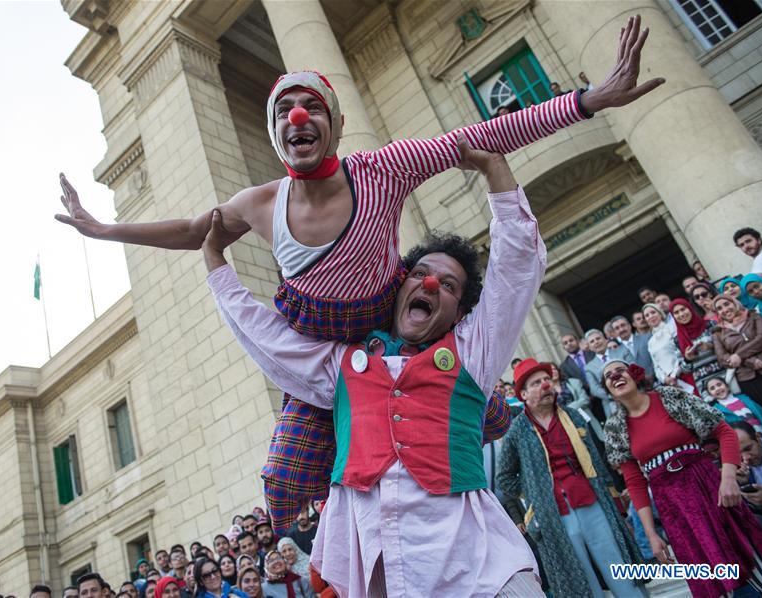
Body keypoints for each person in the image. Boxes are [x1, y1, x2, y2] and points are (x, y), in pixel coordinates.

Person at [56, 16, 662, 531]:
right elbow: (195, 231)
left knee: (484, 409)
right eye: (284, 111)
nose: (297, 116)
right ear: (275, 133)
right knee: (285, 484)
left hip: (391, 328)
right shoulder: (259, 203)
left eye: (311, 107)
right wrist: (105, 230)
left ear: (335, 125)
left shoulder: (383, 169)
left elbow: (482, 136)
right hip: (319, 352)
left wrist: (587, 101)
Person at [205, 149, 543, 595]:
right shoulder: (341, 365)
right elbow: (265, 336)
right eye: (420, 273)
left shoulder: (472, 352)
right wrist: (215, 260)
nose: (429, 284)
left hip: (480, 563)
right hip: (376, 565)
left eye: (447, 285)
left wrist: (494, 169)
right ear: (400, 286)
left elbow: (515, 270)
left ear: (460, 312)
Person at [602, 359, 762, 597]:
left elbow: (724, 432)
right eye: (608, 375)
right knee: (712, 575)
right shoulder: (614, 428)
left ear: (634, 375)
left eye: (620, 370)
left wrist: (728, 478)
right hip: (674, 507)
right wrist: (651, 534)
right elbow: (635, 482)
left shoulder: (669, 397)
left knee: (746, 555)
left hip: (708, 487)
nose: (615, 376)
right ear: (607, 389)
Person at [498, 358, 645, 598]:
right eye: (536, 383)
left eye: (547, 379)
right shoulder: (517, 431)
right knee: (579, 579)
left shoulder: (573, 415)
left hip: (591, 500)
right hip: (553, 515)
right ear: (523, 395)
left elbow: (596, 460)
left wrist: (614, 498)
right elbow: (504, 479)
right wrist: (535, 490)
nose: (545, 385)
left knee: (617, 566)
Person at [713, 295, 762, 409]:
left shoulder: (754, 316)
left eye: (727, 304)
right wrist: (749, 361)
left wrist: (739, 355)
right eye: (719, 308)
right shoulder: (718, 332)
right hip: (747, 378)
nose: (725, 309)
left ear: (735, 303)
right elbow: (722, 358)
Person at [672, 298, 721, 394]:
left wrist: (711, 346)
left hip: (724, 374)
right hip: (704, 386)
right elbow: (685, 370)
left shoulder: (710, 324)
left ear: (690, 309)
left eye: (683, 309)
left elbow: (727, 345)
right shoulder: (677, 340)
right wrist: (687, 359)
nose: (681, 314)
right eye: (676, 312)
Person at [584, 328, 634, 419]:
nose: (596, 342)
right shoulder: (589, 367)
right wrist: (613, 395)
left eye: (598, 338)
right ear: (590, 347)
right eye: (592, 341)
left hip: (633, 394)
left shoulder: (623, 351)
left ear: (605, 340)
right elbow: (594, 389)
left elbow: (633, 370)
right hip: (612, 404)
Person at [643, 303, 693, 392]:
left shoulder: (673, 328)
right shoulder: (650, 342)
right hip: (670, 383)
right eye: (647, 315)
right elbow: (656, 365)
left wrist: (675, 374)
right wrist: (664, 378)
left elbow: (681, 351)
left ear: (660, 313)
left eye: (653, 312)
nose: (651, 316)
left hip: (685, 373)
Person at [611, 315, 654, 380]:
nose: (621, 329)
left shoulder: (647, 338)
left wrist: (651, 375)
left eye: (623, 325)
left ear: (629, 325)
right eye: (617, 328)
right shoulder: (615, 354)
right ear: (614, 332)